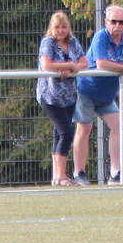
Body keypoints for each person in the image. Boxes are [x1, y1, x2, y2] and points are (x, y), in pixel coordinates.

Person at [72, 5, 123, 185]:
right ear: (106, 22)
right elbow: (102, 64)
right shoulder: (100, 37)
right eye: (113, 21)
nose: (117, 25)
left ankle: (115, 174)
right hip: (86, 90)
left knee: (118, 126)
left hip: (106, 95)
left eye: (121, 22)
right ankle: (78, 173)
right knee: (84, 128)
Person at [37, 11, 88, 186]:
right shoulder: (47, 42)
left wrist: (73, 68)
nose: (61, 30)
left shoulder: (73, 42)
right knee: (67, 132)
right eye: (57, 27)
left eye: (64, 26)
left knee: (59, 134)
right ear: (51, 28)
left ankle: (56, 177)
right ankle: (61, 175)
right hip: (50, 96)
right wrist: (68, 65)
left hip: (69, 96)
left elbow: (84, 63)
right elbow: (46, 65)